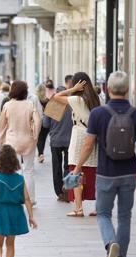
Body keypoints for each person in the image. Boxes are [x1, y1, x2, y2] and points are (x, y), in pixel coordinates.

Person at [70, 71, 136, 257]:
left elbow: (88, 146)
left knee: (104, 213)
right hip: (129, 173)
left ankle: (110, 243)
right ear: (127, 90)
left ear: (108, 89)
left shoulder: (99, 114)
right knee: (124, 216)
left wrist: (77, 169)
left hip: (105, 172)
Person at [53, 72, 100, 217]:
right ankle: (98, 207)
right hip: (93, 136)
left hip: (79, 135)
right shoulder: (95, 98)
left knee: (75, 169)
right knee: (92, 171)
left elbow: (56, 97)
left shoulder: (77, 99)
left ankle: (78, 208)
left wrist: (72, 90)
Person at [0, 81, 42, 206]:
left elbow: (1, 125)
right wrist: (35, 135)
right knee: (28, 170)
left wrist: (1, 141)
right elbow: (38, 121)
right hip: (28, 140)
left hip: (12, 141)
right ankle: (31, 198)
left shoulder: (7, 105)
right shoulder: (30, 104)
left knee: (14, 170)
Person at [43, 86, 73, 201]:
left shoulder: (52, 105)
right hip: (69, 140)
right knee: (68, 166)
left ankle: (59, 192)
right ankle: (67, 190)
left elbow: (45, 124)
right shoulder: (71, 105)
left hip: (55, 141)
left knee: (56, 167)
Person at [35, 84, 49, 163]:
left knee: (39, 138)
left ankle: (40, 154)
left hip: (38, 120)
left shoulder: (36, 100)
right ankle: (41, 153)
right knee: (43, 138)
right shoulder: (47, 100)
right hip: (46, 121)